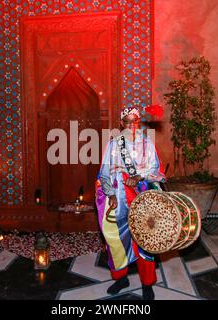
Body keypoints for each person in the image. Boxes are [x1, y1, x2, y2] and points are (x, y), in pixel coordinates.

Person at [95, 106, 166, 300]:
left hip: (141, 196)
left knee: (144, 240)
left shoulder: (147, 144)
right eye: (127, 121)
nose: (132, 125)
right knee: (116, 240)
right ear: (121, 123)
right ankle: (120, 278)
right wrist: (109, 194)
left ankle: (147, 282)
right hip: (119, 196)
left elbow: (156, 169)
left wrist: (139, 177)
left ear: (138, 123)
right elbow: (105, 172)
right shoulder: (114, 145)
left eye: (135, 121)